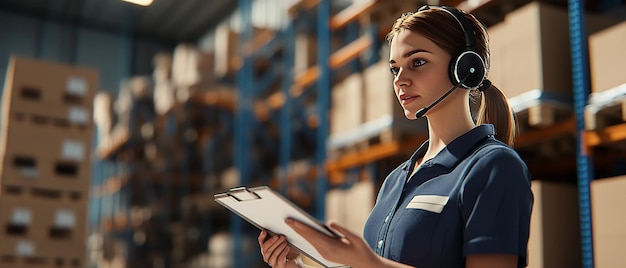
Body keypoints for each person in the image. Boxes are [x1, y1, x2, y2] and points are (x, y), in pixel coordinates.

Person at [258, 5, 533, 268]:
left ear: (465, 69)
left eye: (418, 62)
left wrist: (369, 263)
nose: (400, 79)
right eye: (394, 68)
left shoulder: (495, 167)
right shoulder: (396, 180)